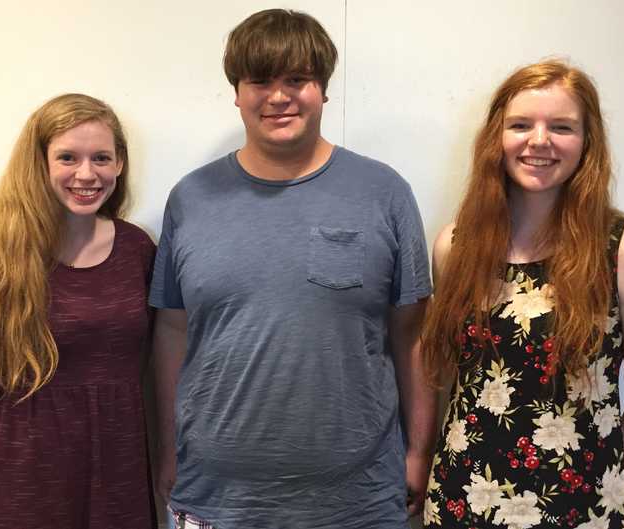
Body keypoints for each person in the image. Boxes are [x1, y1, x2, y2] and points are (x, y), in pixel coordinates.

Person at [149, 8, 436, 529]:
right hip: (217, 496)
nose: (278, 96)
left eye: (297, 79)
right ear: (236, 92)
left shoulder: (384, 193)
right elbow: (172, 330)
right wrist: (167, 449)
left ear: (323, 88)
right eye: (259, 80)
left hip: (359, 500)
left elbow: (413, 335)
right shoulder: (190, 198)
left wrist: (419, 451)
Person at [422, 60, 624, 529]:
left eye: (562, 127)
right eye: (521, 125)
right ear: (496, 138)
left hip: (580, 509)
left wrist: (605, 483)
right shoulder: (455, 245)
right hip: (460, 503)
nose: (540, 140)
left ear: (587, 142)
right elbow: (450, 383)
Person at [0, 94, 158, 528]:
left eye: (102, 158)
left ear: (120, 164)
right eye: (68, 157)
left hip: (117, 476)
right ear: (39, 162)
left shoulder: (138, 250)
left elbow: (155, 363)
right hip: (14, 486)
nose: (87, 173)